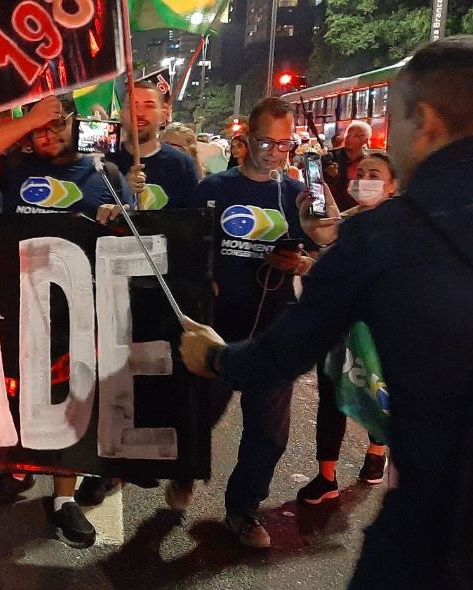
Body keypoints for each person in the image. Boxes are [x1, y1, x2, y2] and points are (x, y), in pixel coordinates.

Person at [181, 35, 473, 587]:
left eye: (393, 118)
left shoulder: (383, 235)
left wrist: (212, 357)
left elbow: (280, 357)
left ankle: (242, 504)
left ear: (422, 120)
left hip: (435, 539)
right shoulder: (232, 192)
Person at [0, 94, 133, 548]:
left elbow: (136, 236)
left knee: (68, 403)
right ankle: (17, 470)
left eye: (57, 125)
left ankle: (63, 498)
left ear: (76, 125)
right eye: (40, 129)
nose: (48, 135)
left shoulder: (104, 174)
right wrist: (28, 118)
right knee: (13, 395)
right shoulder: (17, 170)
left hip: (77, 311)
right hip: (17, 303)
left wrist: (119, 219)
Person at [168, 97, 318, 549]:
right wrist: (202, 278)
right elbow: (185, 247)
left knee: (269, 432)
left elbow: (320, 255)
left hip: (274, 330)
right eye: (266, 142)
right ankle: (183, 468)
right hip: (218, 327)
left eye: (284, 144)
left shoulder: (295, 195)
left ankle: (243, 509)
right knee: (200, 412)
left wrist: (298, 262)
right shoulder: (213, 188)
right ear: (244, 141)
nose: (275, 152)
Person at [295, 153, 398, 506]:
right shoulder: (345, 220)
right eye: (363, 173)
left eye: (376, 174)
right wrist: (309, 219)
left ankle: (376, 450)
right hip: (338, 326)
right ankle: (326, 476)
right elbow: (323, 237)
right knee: (332, 394)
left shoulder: (405, 226)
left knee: (378, 389)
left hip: (381, 328)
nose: (367, 178)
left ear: (392, 185)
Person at [107, 84, 199, 212]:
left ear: (162, 115)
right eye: (133, 106)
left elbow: (191, 219)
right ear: (121, 115)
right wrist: (124, 191)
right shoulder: (104, 163)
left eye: (149, 106)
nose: (139, 113)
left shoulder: (182, 164)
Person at [323, 121, 372, 211]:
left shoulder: (368, 161)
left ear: (365, 140)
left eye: (355, 135)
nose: (349, 137)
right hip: (332, 209)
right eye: (348, 134)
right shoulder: (331, 156)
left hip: (357, 210)